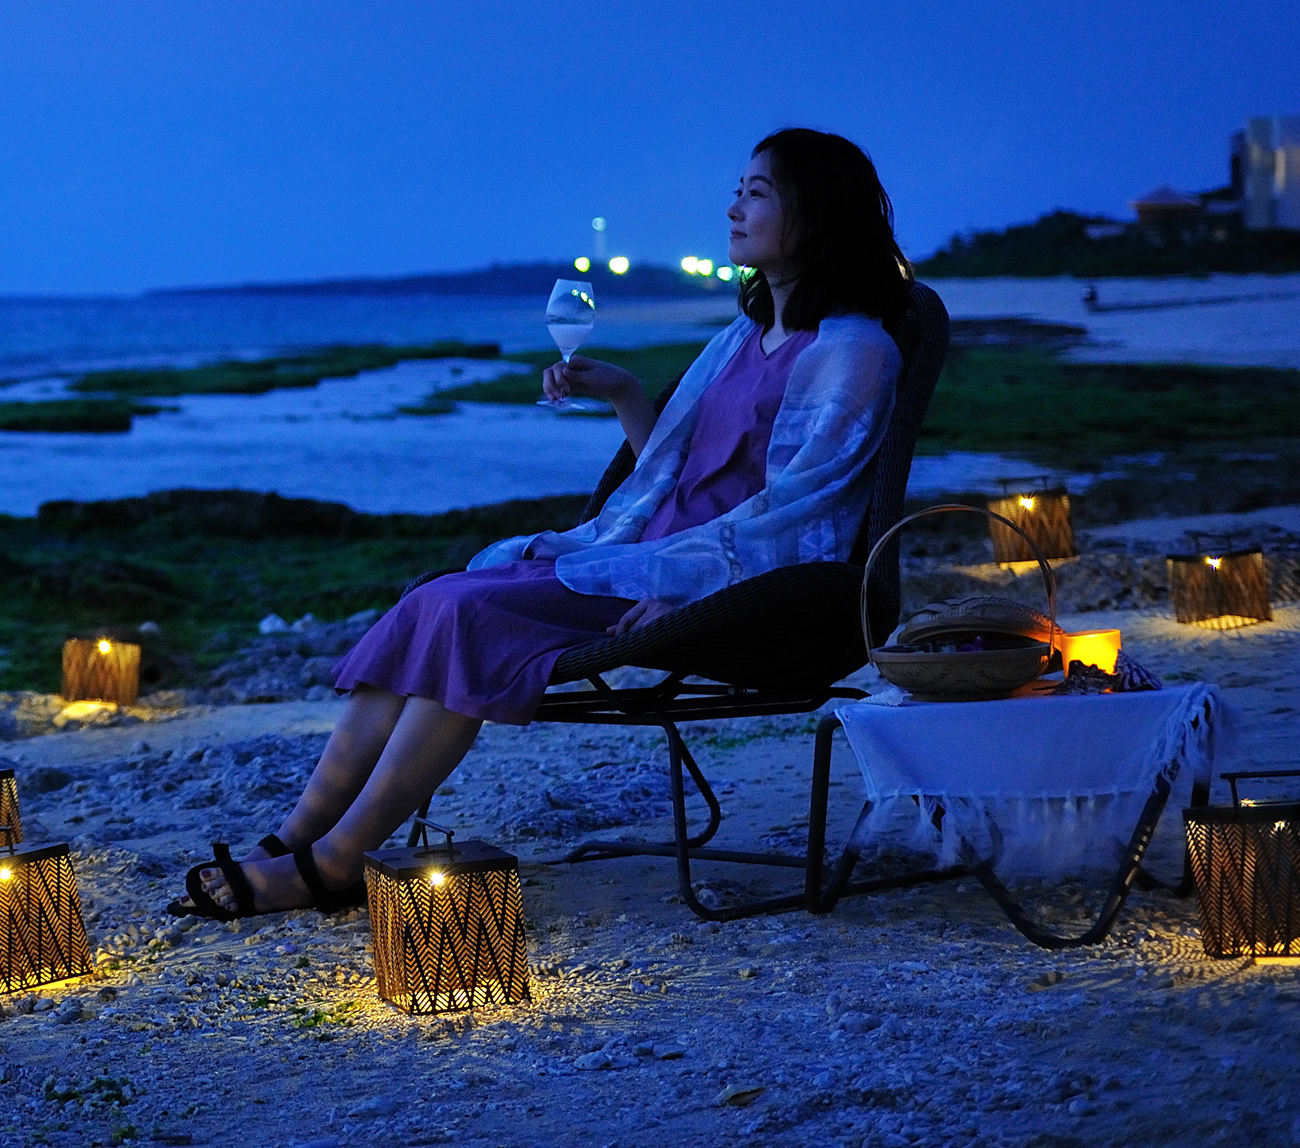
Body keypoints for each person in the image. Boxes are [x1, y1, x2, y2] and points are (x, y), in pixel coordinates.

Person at [174, 128, 910, 919]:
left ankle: (339, 862)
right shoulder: (744, 337)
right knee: (441, 597)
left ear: (817, 213)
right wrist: (628, 392)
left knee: (466, 611)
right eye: (737, 188)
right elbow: (674, 477)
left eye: (756, 192)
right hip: (647, 556)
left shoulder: (852, 350)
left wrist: (699, 598)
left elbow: (802, 515)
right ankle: (299, 838)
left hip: (705, 584)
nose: (733, 207)